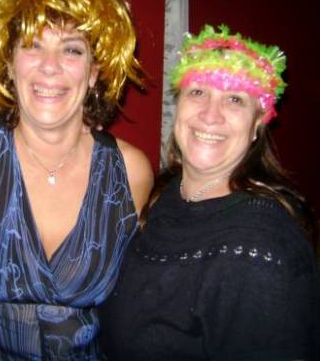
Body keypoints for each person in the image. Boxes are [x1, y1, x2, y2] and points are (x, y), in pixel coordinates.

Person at [0, 0, 153, 359]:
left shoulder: (130, 170)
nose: (50, 66)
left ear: (94, 73)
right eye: (32, 46)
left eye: (72, 50)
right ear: (9, 65)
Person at [100, 25, 319, 360]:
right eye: (198, 92)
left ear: (258, 123)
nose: (210, 115)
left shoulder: (261, 251)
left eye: (234, 99)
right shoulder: (164, 194)